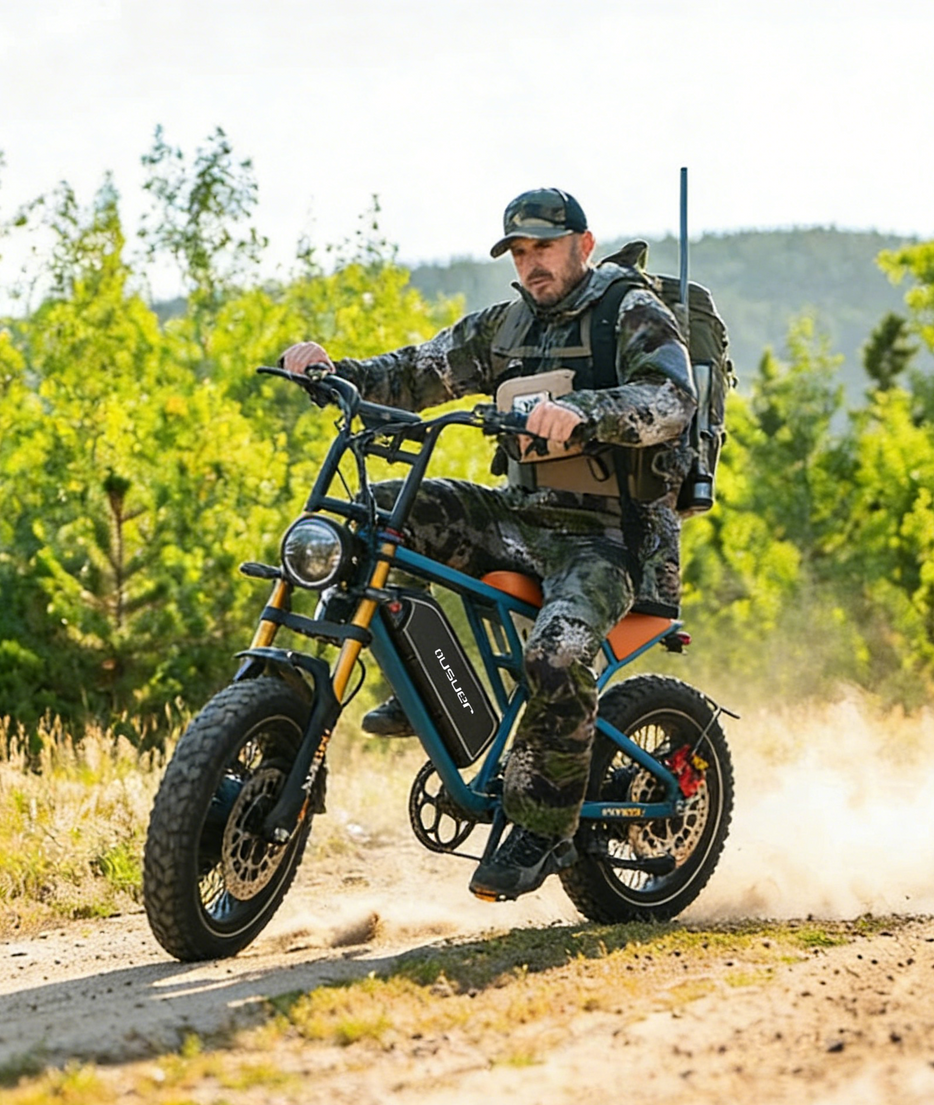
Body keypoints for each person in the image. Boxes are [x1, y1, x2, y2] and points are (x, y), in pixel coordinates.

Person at [281, 187, 696, 901]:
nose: (533, 264)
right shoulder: (505, 326)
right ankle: (423, 691)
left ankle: (543, 828)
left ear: (583, 245)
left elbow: (671, 399)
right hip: (523, 518)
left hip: (611, 538)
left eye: (546, 248)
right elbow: (417, 371)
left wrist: (584, 412)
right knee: (381, 515)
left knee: (555, 655)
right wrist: (332, 372)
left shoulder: (628, 311)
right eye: (520, 252)